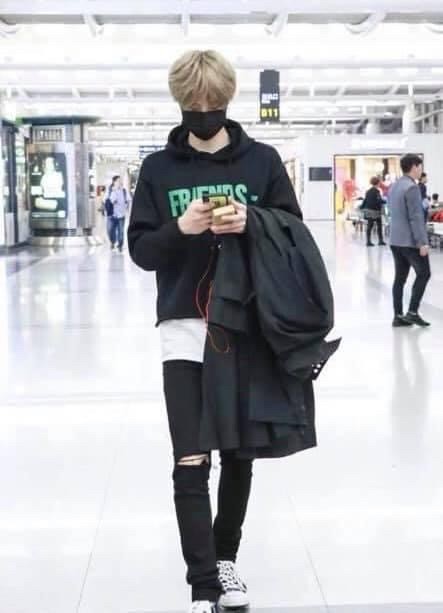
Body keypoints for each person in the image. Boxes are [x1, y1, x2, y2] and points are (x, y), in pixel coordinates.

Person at [127, 50, 306, 613]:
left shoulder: (263, 161)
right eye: (193, 104)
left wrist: (252, 221)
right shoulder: (158, 169)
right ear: (180, 103)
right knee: (190, 457)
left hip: (246, 325)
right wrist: (180, 227)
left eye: (213, 103)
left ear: (228, 100)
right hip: (182, 326)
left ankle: (225, 560)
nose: (204, 112)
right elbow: (140, 251)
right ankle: (202, 584)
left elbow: (295, 234)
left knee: (238, 454)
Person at [389, 154, 431, 328]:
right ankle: (412, 312)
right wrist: (422, 242)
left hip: (395, 240)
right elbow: (416, 217)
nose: (421, 170)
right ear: (414, 167)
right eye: (420, 167)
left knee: (399, 278)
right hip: (410, 241)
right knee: (424, 273)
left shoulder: (395, 186)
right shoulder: (412, 188)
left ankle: (398, 316)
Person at [105, 175, 130, 252]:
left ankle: (120, 245)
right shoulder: (110, 191)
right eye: (118, 180)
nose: (120, 182)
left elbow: (128, 200)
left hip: (121, 215)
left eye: (121, 180)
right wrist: (113, 193)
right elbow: (106, 200)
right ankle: (113, 242)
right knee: (110, 230)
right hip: (111, 215)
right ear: (114, 182)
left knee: (121, 231)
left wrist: (126, 207)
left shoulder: (124, 191)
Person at [361, 176, 386, 246]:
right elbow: (379, 200)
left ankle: (368, 241)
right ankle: (380, 241)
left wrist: (362, 207)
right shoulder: (377, 191)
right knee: (379, 225)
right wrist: (385, 201)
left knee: (369, 226)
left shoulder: (368, 191)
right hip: (375, 211)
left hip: (368, 210)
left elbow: (365, 200)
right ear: (377, 183)